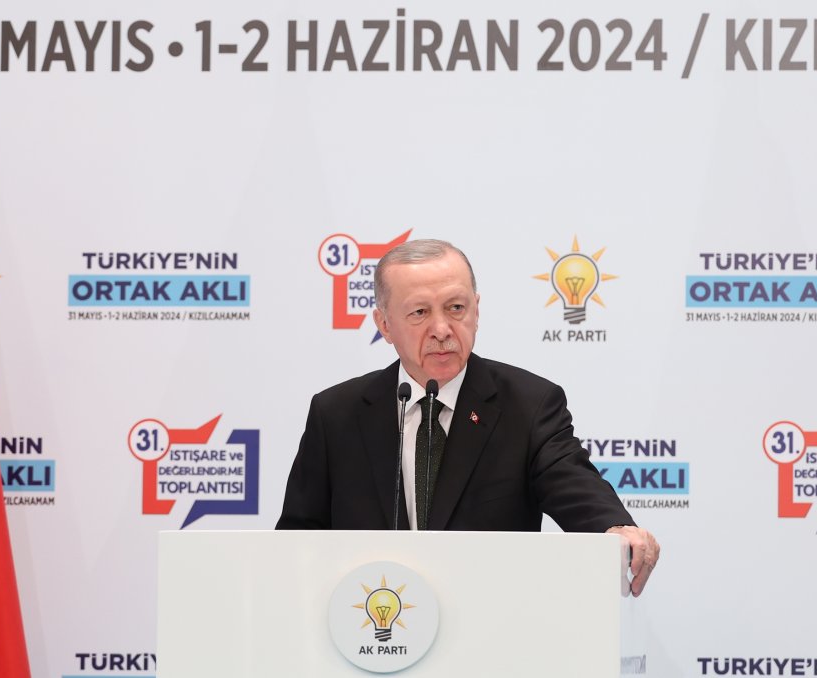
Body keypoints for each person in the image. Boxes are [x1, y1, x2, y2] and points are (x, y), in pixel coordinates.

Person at [276, 238, 660, 595]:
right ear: (384, 325)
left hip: (490, 628)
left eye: (456, 308)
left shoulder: (528, 405)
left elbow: (573, 483)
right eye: (420, 312)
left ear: (476, 310)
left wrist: (615, 526)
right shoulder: (337, 414)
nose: (442, 329)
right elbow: (296, 541)